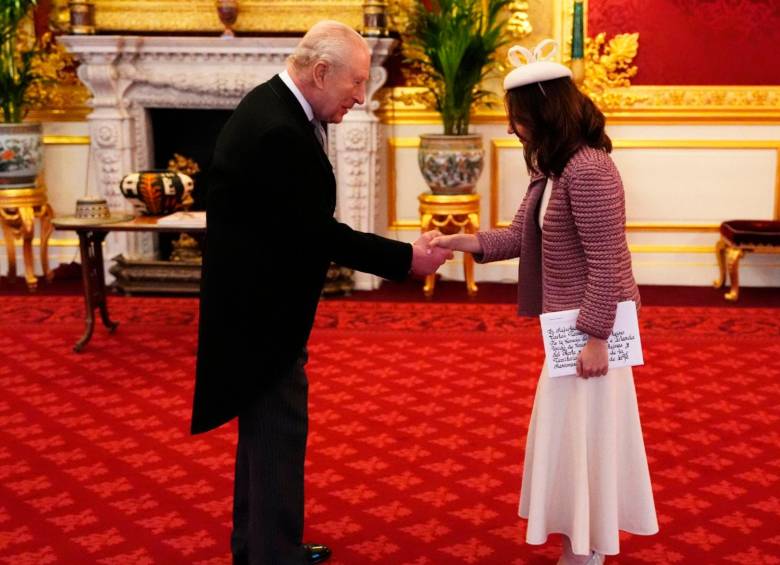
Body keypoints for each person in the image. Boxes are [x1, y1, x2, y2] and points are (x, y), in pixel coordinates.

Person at [191, 21, 451, 565]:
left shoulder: (277, 109)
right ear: (320, 72)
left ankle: (263, 545)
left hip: (256, 307)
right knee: (275, 432)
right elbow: (316, 232)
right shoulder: (278, 129)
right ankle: (270, 554)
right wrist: (407, 258)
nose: (360, 96)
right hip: (261, 317)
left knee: (269, 436)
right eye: (356, 83)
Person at [430, 40, 658, 564]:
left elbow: (608, 259)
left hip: (590, 332)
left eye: (516, 118)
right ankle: (582, 544)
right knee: (568, 439)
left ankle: (587, 551)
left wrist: (598, 338)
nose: (510, 129)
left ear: (542, 111)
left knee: (586, 440)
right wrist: (461, 242)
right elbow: (519, 236)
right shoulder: (552, 169)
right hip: (567, 328)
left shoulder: (589, 169)